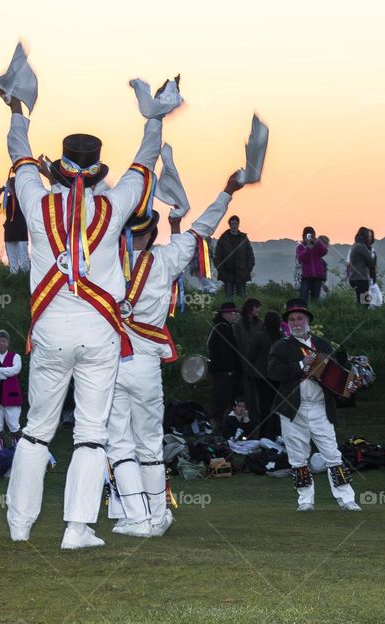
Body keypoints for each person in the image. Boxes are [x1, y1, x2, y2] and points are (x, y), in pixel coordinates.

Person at [0, 72, 179, 549]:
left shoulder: (36, 201)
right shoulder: (115, 204)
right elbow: (144, 162)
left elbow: (18, 155)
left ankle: (20, 523)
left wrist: (17, 111)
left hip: (51, 327)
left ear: (56, 170)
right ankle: (77, 528)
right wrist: (154, 119)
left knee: (37, 429)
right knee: (91, 433)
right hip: (99, 334)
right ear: (99, 170)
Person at [105, 169, 243, 538]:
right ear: (152, 233)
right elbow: (201, 230)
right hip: (147, 363)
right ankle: (157, 514)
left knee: (118, 443)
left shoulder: (101, 263)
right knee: (149, 443)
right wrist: (227, 191)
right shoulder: (165, 259)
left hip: (111, 363)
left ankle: (135, 516)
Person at [267, 298, 361, 511]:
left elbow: (339, 371)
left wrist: (351, 382)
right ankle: (305, 501)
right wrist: (301, 364)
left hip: (320, 407)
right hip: (293, 409)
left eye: (300, 318)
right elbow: (273, 372)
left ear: (308, 320)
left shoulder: (323, 344)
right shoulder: (281, 346)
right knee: (298, 456)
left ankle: (347, 499)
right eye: (291, 319)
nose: (296, 322)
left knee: (332, 453)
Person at [247, 311, 284, 440]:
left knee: (264, 406)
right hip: (278, 376)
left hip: (261, 376)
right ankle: (276, 432)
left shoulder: (259, 336)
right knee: (277, 405)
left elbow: (250, 355)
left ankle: (264, 434)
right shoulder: (282, 336)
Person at [208, 302, 243, 423]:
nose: (235, 316)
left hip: (220, 371)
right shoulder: (223, 328)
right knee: (221, 400)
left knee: (222, 399)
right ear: (226, 314)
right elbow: (226, 352)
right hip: (224, 372)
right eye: (233, 313)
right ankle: (216, 427)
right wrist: (230, 370)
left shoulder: (220, 327)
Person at [0, 177, 30, 273]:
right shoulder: (8, 199)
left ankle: (25, 275)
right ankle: (13, 275)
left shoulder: (23, 197)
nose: (12, 187)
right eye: (10, 185)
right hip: (10, 231)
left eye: (14, 185)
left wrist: (12, 192)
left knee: (23, 257)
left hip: (21, 231)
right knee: (12, 256)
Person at [215, 215, 255, 297]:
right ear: (229, 225)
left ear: (238, 224)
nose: (234, 226)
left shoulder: (244, 238)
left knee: (242, 297)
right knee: (228, 297)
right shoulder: (223, 238)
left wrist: (248, 269)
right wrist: (221, 270)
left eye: (235, 223)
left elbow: (250, 255)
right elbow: (217, 256)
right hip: (227, 273)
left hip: (241, 272)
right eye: (232, 224)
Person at [296, 227, 328, 302]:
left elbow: (324, 252)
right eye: (307, 235)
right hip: (306, 276)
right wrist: (308, 248)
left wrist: (318, 242)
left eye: (311, 235)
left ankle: (314, 311)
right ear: (304, 236)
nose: (309, 237)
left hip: (318, 276)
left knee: (315, 298)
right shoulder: (300, 247)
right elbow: (301, 259)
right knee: (303, 296)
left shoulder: (317, 246)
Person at [348, 226, 376, 307]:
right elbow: (371, 261)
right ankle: (363, 317)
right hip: (361, 279)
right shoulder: (362, 246)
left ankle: (358, 316)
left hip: (354, 278)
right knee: (364, 303)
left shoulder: (355, 245)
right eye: (368, 236)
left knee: (359, 301)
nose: (370, 238)